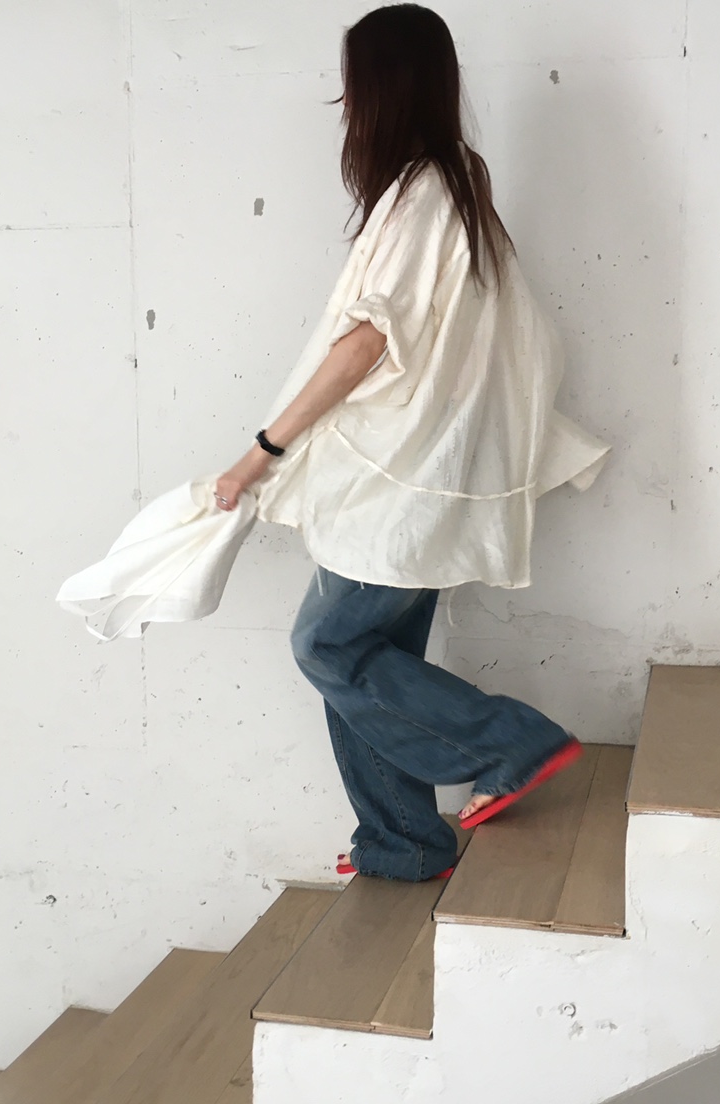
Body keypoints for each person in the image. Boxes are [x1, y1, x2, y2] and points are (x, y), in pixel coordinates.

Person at [213, 4, 610, 882]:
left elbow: (366, 343)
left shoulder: (426, 195)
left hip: (396, 482)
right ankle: (403, 839)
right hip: (409, 476)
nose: (346, 107)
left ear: (383, 91)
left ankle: (511, 742)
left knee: (327, 647)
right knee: (370, 661)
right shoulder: (450, 187)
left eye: (353, 88)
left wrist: (262, 451)